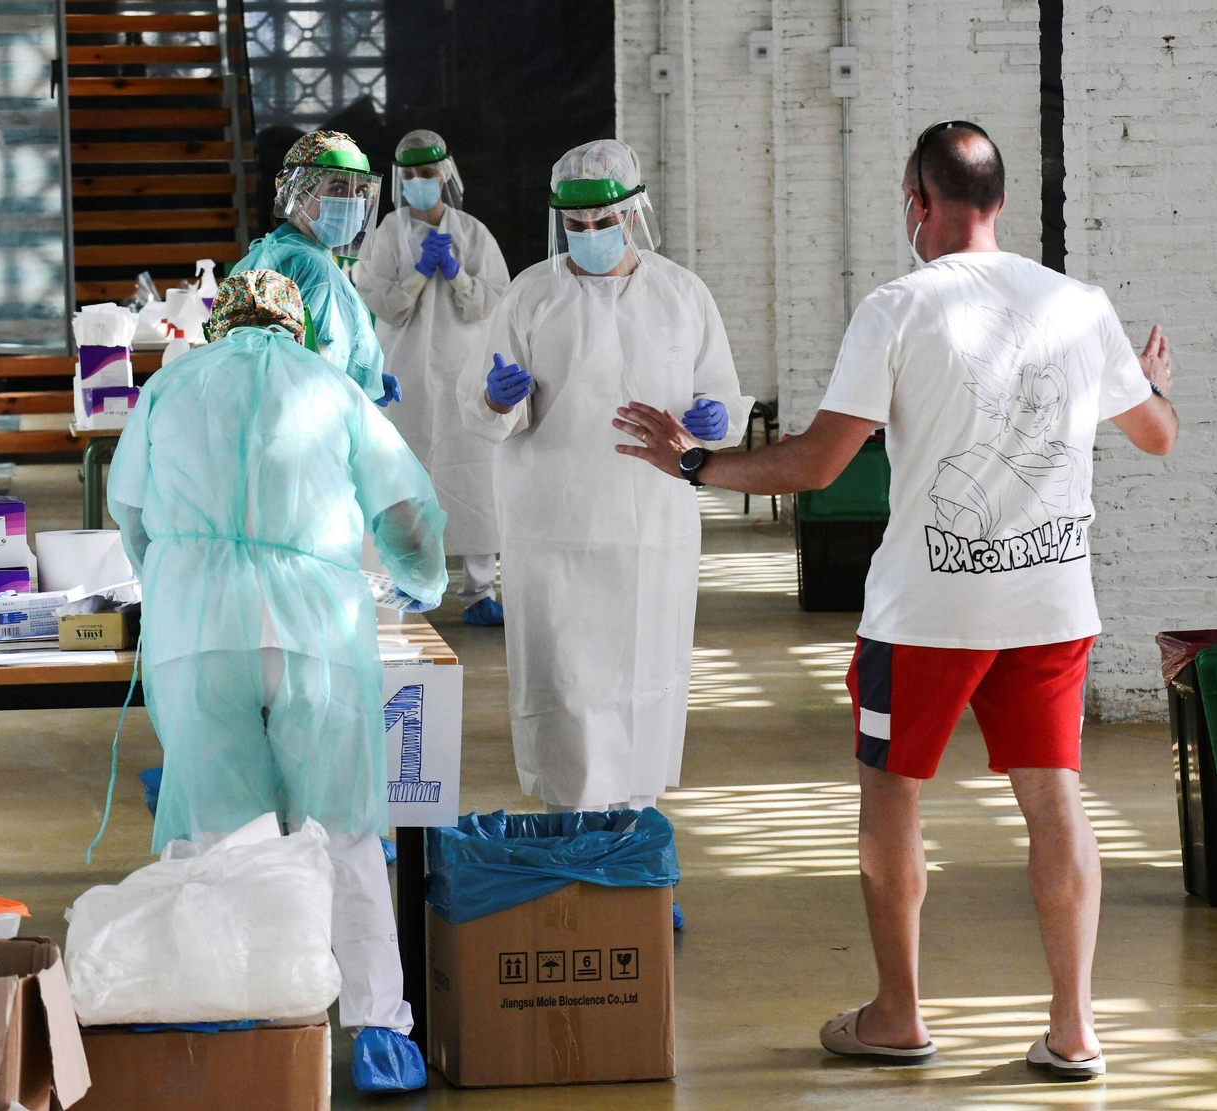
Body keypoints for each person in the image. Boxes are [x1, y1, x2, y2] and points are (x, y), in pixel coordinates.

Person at [611, 122, 1178, 1079]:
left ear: (919, 203)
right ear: (997, 201)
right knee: (1054, 800)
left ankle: (899, 1014)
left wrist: (696, 463)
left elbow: (816, 463)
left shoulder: (899, 307)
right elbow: (1157, 435)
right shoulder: (1082, 307)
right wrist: (1151, 383)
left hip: (928, 611)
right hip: (1050, 603)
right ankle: (1075, 1028)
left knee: (892, 794)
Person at [107, 269, 448, 1093]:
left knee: (221, 832)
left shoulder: (171, 386)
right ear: (297, 328)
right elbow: (405, 509)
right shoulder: (329, 386)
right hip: (312, 632)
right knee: (344, 827)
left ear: (218, 324)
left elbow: (130, 512)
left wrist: (182, 576)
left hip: (200, 637)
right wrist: (420, 580)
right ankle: (377, 1032)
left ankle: (244, 1019)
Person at [459, 139, 752, 813]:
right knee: (563, 685)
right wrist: (499, 397)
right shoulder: (532, 295)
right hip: (553, 524)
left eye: (603, 222)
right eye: (576, 225)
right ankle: (575, 843)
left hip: (651, 526)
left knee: (645, 679)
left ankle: (631, 855)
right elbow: (481, 407)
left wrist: (715, 420)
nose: (589, 237)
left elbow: (724, 395)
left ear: (634, 212)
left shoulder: (682, 296)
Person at [356, 130, 511, 626]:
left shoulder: (473, 233)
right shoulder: (386, 234)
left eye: (428, 173)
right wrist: (420, 273)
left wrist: (458, 274)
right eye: (411, 175)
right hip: (405, 376)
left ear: (445, 173)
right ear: (399, 179)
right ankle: (408, 586)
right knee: (405, 476)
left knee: (475, 475)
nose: (421, 183)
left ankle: (480, 592)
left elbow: (491, 300)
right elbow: (379, 302)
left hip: (463, 371)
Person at [235, 130, 396, 405]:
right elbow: (324, 362)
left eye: (359, 191)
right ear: (297, 195)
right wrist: (357, 385)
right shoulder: (315, 268)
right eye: (337, 188)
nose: (352, 201)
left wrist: (365, 374)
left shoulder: (264, 251)